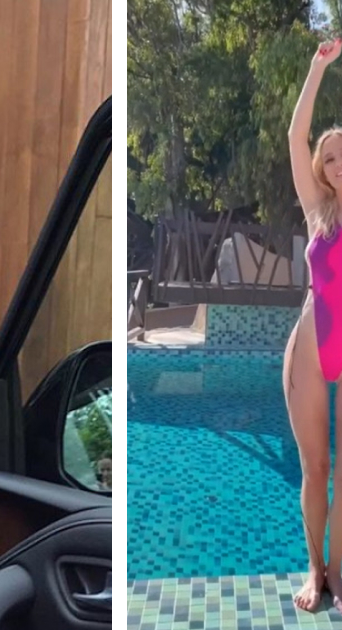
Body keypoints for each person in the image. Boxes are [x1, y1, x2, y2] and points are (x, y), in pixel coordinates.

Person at [286, 36, 342, 613]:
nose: (336, 163)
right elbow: (294, 136)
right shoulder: (317, 211)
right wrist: (316, 68)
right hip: (310, 341)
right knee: (316, 466)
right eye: (329, 157)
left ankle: (339, 570)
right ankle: (314, 568)